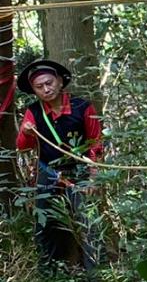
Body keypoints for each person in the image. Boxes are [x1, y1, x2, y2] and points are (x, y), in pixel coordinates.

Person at [15, 58, 103, 270]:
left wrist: (93, 177)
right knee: (45, 224)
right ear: (34, 91)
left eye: (49, 83)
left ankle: (96, 279)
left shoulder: (82, 107)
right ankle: (49, 275)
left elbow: (96, 142)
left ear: (60, 82)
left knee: (88, 224)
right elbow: (22, 147)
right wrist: (26, 133)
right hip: (48, 172)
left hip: (79, 172)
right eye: (39, 87)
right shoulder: (33, 111)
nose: (46, 89)